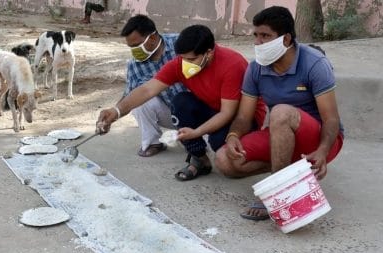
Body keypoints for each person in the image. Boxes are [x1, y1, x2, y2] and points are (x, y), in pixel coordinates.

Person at [214, 6, 344, 220]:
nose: (258, 42)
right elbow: (244, 116)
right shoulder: (256, 68)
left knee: (281, 112)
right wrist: (234, 136)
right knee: (224, 161)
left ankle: (278, 192)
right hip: (280, 135)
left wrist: (322, 150)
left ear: (285, 39)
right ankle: (294, 173)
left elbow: (331, 119)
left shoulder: (314, 64)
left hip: (319, 140)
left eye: (265, 36)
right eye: (256, 35)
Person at [98, 24, 265, 181]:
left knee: (219, 145)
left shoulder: (232, 64)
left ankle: (251, 149)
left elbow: (227, 113)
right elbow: (147, 90)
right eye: (182, 58)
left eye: (191, 59)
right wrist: (116, 111)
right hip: (213, 109)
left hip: (242, 118)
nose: (185, 64)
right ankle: (199, 159)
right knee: (181, 102)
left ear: (209, 53)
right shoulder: (181, 63)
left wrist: (197, 132)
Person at [118, 14, 186, 158]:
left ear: (153, 38)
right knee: (137, 100)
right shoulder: (134, 65)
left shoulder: (181, 44)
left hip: (200, 111)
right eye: (131, 47)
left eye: (137, 45)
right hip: (170, 114)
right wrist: (114, 113)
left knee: (211, 148)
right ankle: (153, 142)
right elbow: (128, 96)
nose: (135, 51)